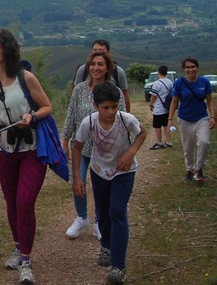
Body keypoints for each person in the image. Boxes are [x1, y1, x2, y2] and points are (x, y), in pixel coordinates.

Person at [0, 29, 53, 285]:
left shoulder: (26, 78)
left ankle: (25, 260)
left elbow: (47, 106)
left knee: (25, 201)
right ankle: (17, 246)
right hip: (3, 148)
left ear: (6, 50)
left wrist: (31, 117)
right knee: (11, 202)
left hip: (31, 148)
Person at [72, 82, 146, 285]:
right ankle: (106, 245)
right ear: (96, 105)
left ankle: (119, 265)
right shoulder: (89, 123)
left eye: (114, 106)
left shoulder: (126, 119)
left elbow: (142, 133)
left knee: (117, 211)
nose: (111, 111)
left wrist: (130, 153)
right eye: (106, 107)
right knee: (103, 213)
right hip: (99, 171)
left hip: (124, 172)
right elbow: (77, 148)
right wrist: (77, 178)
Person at [62, 51, 125, 240]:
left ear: (107, 68)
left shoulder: (115, 92)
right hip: (81, 147)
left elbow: (121, 118)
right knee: (78, 181)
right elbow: (71, 115)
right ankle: (82, 217)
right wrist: (64, 140)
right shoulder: (79, 89)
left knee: (102, 186)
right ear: (88, 67)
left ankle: (100, 220)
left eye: (100, 64)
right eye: (93, 64)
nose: (96, 68)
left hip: (104, 148)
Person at [168, 56, 217, 182]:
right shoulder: (179, 83)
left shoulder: (204, 82)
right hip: (185, 119)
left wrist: (212, 116)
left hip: (202, 118)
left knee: (204, 142)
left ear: (197, 68)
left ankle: (199, 169)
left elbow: (210, 100)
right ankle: (189, 170)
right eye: (188, 67)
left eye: (193, 67)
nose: (191, 70)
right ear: (184, 69)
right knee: (188, 148)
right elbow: (174, 102)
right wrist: (170, 119)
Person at [73, 40, 131, 112]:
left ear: (108, 53)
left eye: (101, 51)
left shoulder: (118, 72)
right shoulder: (82, 71)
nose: (97, 53)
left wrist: (127, 116)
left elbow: (125, 97)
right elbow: (74, 99)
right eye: (94, 50)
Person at [148, 65, 174, 150]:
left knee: (157, 126)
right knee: (166, 125)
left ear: (158, 72)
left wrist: (151, 104)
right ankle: (169, 142)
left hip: (159, 108)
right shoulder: (169, 82)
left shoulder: (157, 83)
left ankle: (159, 142)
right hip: (167, 107)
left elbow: (153, 95)